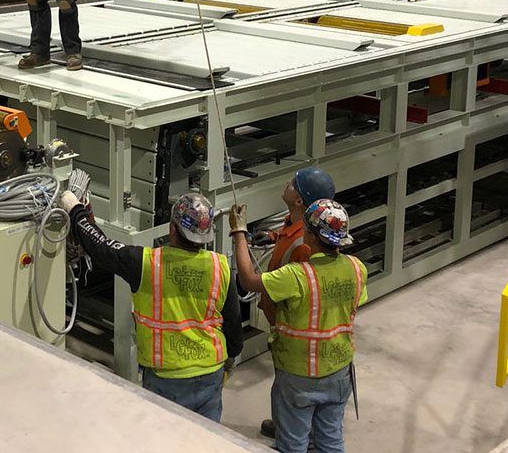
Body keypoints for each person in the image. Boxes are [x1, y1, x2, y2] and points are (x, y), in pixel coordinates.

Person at [60, 175, 242, 422]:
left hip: (166, 379)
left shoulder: (145, 263)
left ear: (172, 228)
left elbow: (100, 247)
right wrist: (227, 360)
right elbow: (233, 329)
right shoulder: (221, 267)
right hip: (211, 372)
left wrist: (76, 211)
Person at [230, 196, 367, 453]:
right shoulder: (357, 268)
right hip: (339, 370)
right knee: (330, 440)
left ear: (311, 238)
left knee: (293, 444)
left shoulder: (297, 276)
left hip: (300, 375)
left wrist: (239, 232)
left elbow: (248, 280)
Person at [255, 167, 336, 440]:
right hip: (280, 323)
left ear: (300, 200)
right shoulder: (298, 223)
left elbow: (294, 292)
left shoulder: (305, 246)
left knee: (291, 385)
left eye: (292, 183)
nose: (287, 184)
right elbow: (288, 232)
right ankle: (286, 423)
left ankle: (298, 434)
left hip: (292, 331)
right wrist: (272, 237)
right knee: (282, 385)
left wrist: (240, 235)